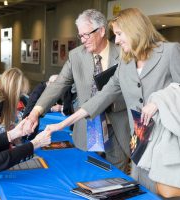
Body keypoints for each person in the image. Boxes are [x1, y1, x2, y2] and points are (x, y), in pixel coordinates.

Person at [44, 8, 180, 199]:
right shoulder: (125, 64)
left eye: (118, 34)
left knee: (170, 194)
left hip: (167, 144)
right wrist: (62, 124)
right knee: (142, 193)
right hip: (139, 143)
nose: (116, 40)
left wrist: (159, 101)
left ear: (134, 30)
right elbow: (100, 98)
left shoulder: (170, 51)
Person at [23, 9, 130, 172]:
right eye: (80, 36)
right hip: (88, 129)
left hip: (116, 128)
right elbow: (58, 85)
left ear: (101, 31)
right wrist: (35, 113)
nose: (83, 40)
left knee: (118, 176)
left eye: (86, 35)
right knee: (88, 174)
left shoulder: (124, 53)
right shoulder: (76, 56)